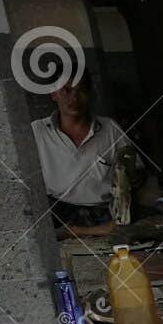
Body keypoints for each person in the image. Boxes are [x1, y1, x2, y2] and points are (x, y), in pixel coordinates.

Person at [30, 71, 135, 227]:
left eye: (82, 90)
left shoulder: (109, 128)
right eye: (66, 90)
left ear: (91, 94)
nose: (74, 98)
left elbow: (134, 170)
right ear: (53, 94)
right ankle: (74, 231)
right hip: (56, 212)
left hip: (103, 212)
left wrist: (125, 182)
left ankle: (81, 231)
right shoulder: (37, 131)